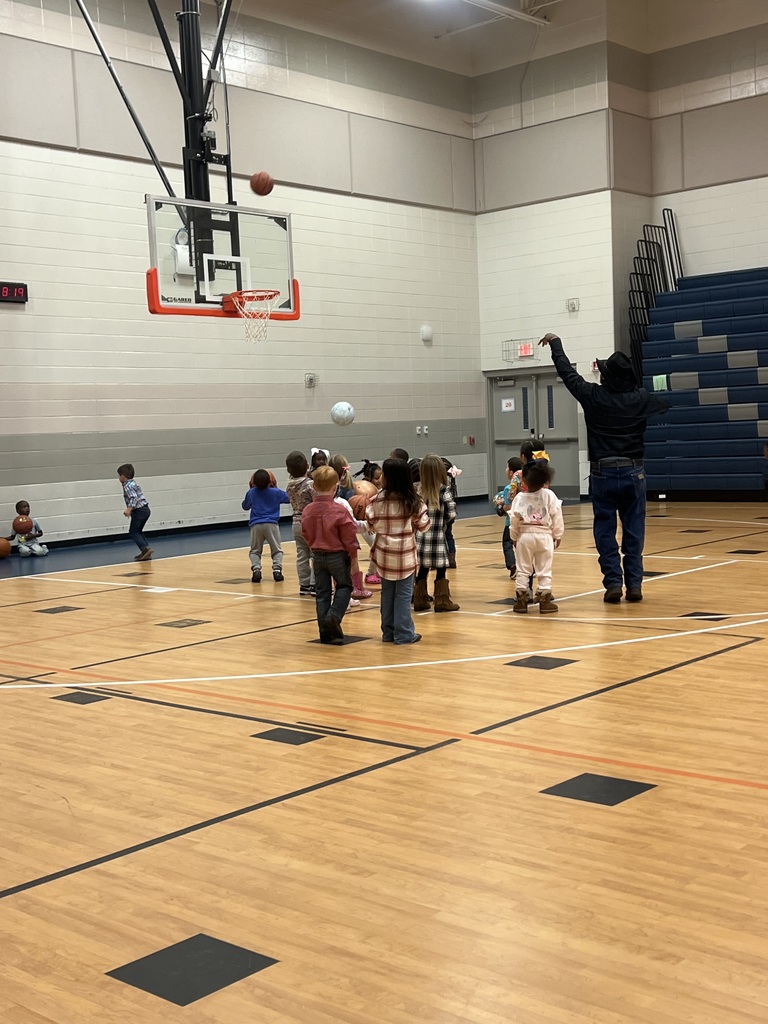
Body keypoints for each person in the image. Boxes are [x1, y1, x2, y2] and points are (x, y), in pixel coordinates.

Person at [539, 332, 670, 603]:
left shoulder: (593, 396)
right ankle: (634, 585)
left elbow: (568, 375)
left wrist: (557, 344)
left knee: (604, 530)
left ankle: (612, 583)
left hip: (602, 473)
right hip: (635, 472)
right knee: (634, 530)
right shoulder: (640, 399)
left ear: (608, 376)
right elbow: (666, 402)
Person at [366, 457, 430, 644]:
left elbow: (370, 523)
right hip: (404, 556)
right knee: (403, 595)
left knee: (387, 594)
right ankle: (403, 633)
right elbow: (424, 525)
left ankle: (388, 632)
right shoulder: (412, 501)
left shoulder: (376, 500)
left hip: (384, 555)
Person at [300, 466, 359, 645]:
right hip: (337, 555)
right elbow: (349, 537)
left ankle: (324, 632)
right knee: (344, 587)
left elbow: (305, 533)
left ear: (314, 487)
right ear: (336, 486)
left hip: (317, 555)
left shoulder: (308, 510)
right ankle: (333, 616)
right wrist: (353, 555)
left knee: (322, 593)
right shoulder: (339, 510)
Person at [509, 460, 564, 614]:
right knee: (544, 568)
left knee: (523, 569)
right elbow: (557, 516)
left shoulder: (519, 498)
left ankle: (521, 600)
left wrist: (513, 536)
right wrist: (558, 534)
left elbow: (514, 520)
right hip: (545, 535)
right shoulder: (549, 495)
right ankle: (545, 601)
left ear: (524, 480)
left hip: (524, 535)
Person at [413, 454, 459, 612]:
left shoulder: (418, 491)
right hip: (438, 537)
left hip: (420, 538)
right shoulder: (444, 491)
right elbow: (452, 513)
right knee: (441, 570)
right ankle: (442, 601)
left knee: (423, 569)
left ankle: (419, 598)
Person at [242, 469, 290, 583]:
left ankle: (256, 569)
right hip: (271, 524)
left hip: (255, 525)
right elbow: (289, 498)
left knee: (255, 550)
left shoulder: (251, 493)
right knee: (276, 549)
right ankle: (277, 570)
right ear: (270, 481)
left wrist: (250, 492)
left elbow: (245, 506)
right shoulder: (276, 492)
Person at [285, 450, 316, 596]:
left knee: (302, 554)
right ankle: (315, 583)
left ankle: (304, 584)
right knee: (316, 554)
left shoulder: (289, 485)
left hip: (296, 523)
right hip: (310, 523)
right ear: (307, 466)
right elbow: (318, 500)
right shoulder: (310, 485)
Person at [493, 457, 522, 579]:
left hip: (512, 521)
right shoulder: (527, 485)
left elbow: (508, 506)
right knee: (522, 545)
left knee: (507, 543)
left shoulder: (509, 488)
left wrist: (500, 509)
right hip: (526, 521)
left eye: (507, 467)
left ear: (511, 471)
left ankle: (512, 566)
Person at [117, 463, 152, 561]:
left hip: (139, 511)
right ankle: (146, 551)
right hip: (145, 509)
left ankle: (145, 549)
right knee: (138, 531)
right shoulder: (134, 483)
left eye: (119, 476)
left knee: (133, 532)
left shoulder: (127, 486)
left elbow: (133, 497)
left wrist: (129, 509)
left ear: (123, 477)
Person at [441, 457, 462, 569]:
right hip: (451, 512)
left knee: (442, 536)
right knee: (449, 536)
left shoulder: (442, 483)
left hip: (444, 513)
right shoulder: (450, 480)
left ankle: (442, 559)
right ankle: (452, 558)